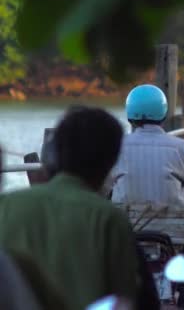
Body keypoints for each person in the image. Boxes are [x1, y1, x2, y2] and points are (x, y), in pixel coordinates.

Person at [0, 106, 142, 310]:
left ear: (53, 155)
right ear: (110, 162)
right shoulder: (109, 218)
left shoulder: (7, 204)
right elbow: (126, 299)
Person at [107, 84, 184, 310]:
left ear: (130, 115)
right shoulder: (180, 148)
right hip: (175, 240)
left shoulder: (116, 147)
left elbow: (102, 189)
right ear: (163, 114)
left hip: (128, 238)